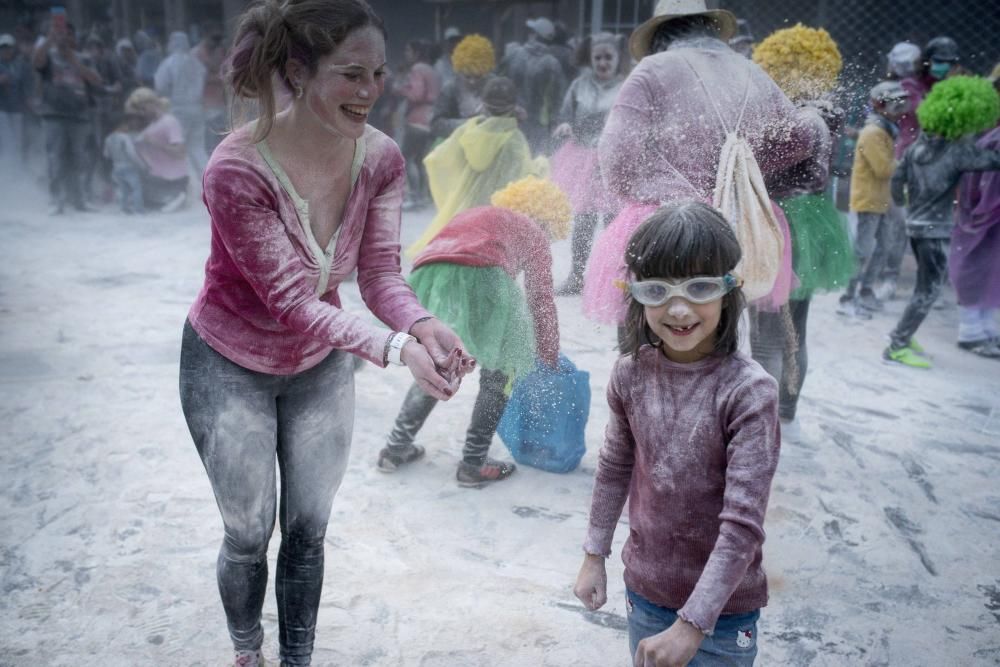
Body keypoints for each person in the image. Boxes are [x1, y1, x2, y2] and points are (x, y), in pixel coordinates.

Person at [179, 1, 473, 665]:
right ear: (297, 71)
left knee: (309, 531)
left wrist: (423, 323)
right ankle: (248, 651)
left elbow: (379, 277)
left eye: (378, 73)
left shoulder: (382, 159)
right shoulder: (237, 168)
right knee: (249, 533)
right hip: (227, 366)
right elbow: (290, 299)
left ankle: (297, 659)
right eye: (351, 74)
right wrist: (397, 349)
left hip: (319, 367)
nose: (371, 91)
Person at [574, 202, 780, 666]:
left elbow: (742, 526)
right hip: (645, 589)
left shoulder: (749, 393)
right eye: (657, 291)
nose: (679, 308)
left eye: (700, 287)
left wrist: (692, 625)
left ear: (729, 290)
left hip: (724, 612)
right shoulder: (630, 375)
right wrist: (594, 552)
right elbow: (613, 468)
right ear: (636, 296)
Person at [585, 0, 827, 329]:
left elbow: (615, 159)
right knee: (721, 334)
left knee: (656, 335)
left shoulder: (653, 69)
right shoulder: (750, 70)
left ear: (660, 33)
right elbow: (798, 139)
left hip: (669, 226)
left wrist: (651, 189)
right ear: (709, 27)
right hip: (738, 225)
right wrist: (742, 171)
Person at [380, 176, 569, 485]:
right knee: (502, 368)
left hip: (432, 273)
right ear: (549, 220)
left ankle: (395, 447)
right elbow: (540, 298)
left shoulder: (483, 214)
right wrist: (548, 351)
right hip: (485, 273)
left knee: (442, 361)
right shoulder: (535, 232)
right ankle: (474, 461)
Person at [749, 24, 854, 438]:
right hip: (811, 220)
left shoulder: (804, 119)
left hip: (785, 224)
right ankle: (787, 412)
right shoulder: (826, 111)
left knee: (768, 332)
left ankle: (768, 419)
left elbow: (763, 159)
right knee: (794, 326)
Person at [885, 75, 1000, 367]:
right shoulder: (958, 152)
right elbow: (992, 161)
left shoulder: (914, 150)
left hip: (916, 226)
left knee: (922, 287)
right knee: (928, 291)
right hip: (936, 231)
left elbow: (896, 183)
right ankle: (897, 344)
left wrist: (906, 206)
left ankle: (903, 335)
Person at [407, 76, 547, 256]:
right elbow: (525, 176)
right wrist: (542, 165)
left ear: (483, 104)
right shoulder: (514, 138)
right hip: (498, 211)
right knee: (490, 258)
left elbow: (438, 158)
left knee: (463, 252)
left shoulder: (469, 129)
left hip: (468, 205)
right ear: (513, 107)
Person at [550, 32, 624, 295]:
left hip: (611, 161)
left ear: (617, 59)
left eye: (608, 58)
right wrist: (565, 124)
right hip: (582, 159)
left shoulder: (626, 85)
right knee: (583, 220)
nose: (603, 63)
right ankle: (577, 276)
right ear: (591, 60)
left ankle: (615, 279)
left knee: (613, 222)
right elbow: (564, 114)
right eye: (598, 58)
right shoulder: (579, 85)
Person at [837, 81, 910, 319]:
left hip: (883, 200)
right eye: (894, 102)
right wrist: (910, 165)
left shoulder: (885, 129)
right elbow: (883, 169)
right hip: (868, 200)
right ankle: (848, 297)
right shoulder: (873, 132)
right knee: (863, 250)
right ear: (880, 104)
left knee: (883, 247)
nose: (899, 107)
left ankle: (866, 291)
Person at [32, 19, 102, 214]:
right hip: (53, 115)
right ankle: (57, 200)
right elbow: (36, 62)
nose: (64, 38)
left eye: (68, 34)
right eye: (60, 34)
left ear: (74, 37)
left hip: (79, 116)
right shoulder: (48, 56)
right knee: (56, 158)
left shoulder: (84, 58)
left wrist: (74, 61)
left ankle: (80, 199)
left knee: (80, 158)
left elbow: (96, 80)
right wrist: (48, 41)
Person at [878, 42, 923, 301]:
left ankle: (891, 277)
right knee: (899, 224)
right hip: (904, 163)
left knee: (900, 224)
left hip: (911, 163)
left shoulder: (912, 90)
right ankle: (890, 277)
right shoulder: (905, 90)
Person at [499, 17, 566, 152]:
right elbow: (557, 101)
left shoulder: (513, 54)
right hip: (539, 128)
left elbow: (497, 84)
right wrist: (555, 125)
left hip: (511, 121)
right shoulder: (553, 63)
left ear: (534, 35)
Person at [393, 39, 440, 210]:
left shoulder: (417, 69)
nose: (406, 55)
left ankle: (414, 196)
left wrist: (401, 89)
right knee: (420, 160)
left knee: (407, 158)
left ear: (416, 53)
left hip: (417, 119)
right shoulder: (432, 70)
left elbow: (417, 95)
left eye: (408, 51)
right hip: (431, 118)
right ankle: (424, 196)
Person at [126, 87, 188, 212]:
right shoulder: (153, 124)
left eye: (143, 108)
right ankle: (170, 198)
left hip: (171, 178)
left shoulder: (169, 122)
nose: (141, 113)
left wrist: (155, 143)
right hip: (156, 176)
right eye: (139, 110)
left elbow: (180, 152)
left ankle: (174, 197)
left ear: (151, 104)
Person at [155, 31, 208, 175]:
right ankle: (210, 180)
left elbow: (160, 86)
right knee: (197, 147)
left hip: (178, 110)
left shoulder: (168, 63)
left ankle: (189, 184)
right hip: (197, 109)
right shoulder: (197, 64)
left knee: (179, 148)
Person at [429, 33, 496, 140]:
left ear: (486, 72)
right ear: (459, 71)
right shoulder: (450, 89)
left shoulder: (495, 86)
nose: (472, 82)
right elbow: (435, 124)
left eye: (478, 77)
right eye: (467, 77)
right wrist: (467, 124)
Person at [0, 32, 33, 175]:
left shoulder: (21, 65)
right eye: (3, 47)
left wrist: (29, 100)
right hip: (2, 109)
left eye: (9, 47)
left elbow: (27, 85)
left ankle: (18, 171)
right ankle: (8, 171)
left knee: (19, 142)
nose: (6, 50)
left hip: (18, 109)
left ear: (14, 48)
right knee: (8, 142)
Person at [103, 112, 147, 214]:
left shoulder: (108, 138)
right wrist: (142, 165)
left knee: (124, 189)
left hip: (116, 167)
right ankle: (139, 209)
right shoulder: (124, 137)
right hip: (128, 166)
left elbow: (106, 155)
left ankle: (124, 207)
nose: (128, 126)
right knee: (136, 188)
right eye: (127, 124)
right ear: (121, 125)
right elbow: (132, 153)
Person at [193, 27, 228, 154]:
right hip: (205, 100)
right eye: (213, 39)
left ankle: (220, 153)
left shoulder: (219, 51)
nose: (216, 42)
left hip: (219, 99)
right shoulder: (197, 53)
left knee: (220, 129)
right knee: (209, 131)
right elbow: (198, 77)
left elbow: (225, 71)